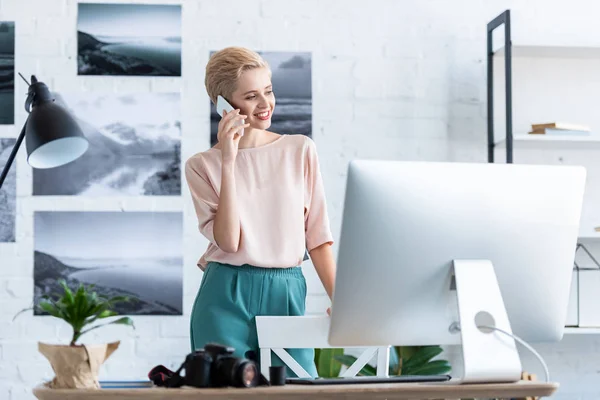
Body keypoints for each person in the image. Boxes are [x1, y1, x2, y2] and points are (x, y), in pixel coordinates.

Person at [184, 47, 336, 377]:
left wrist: (343, 304)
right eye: (251, 96)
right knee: (225, 394)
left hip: (286, 290)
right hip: (225, 292)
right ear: (225, 105)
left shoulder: (299, 150)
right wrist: (228, 160)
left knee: (299, 390)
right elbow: (227, 240)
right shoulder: (201, 166)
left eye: (268, 91)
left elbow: (318, 238)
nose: (265, 104)